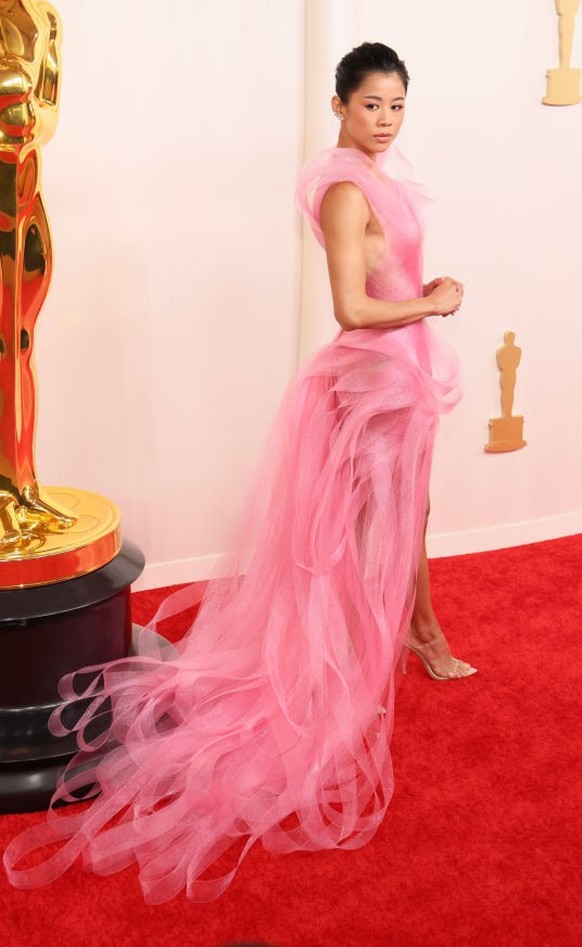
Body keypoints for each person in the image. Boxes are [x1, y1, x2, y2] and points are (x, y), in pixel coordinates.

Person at [4, 42, 475, 904]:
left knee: (413, 510)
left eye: (399, 105)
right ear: (339, 105)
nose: (387, 119)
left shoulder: (386, 177)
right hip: (372, 370)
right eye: (373, 104)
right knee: (369, 524)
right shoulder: (342, 188)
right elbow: (353, 307)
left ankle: (421, 631)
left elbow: (389, 277)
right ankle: (378, 658)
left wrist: (425, 294)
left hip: (406, 367)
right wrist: (431, 302)